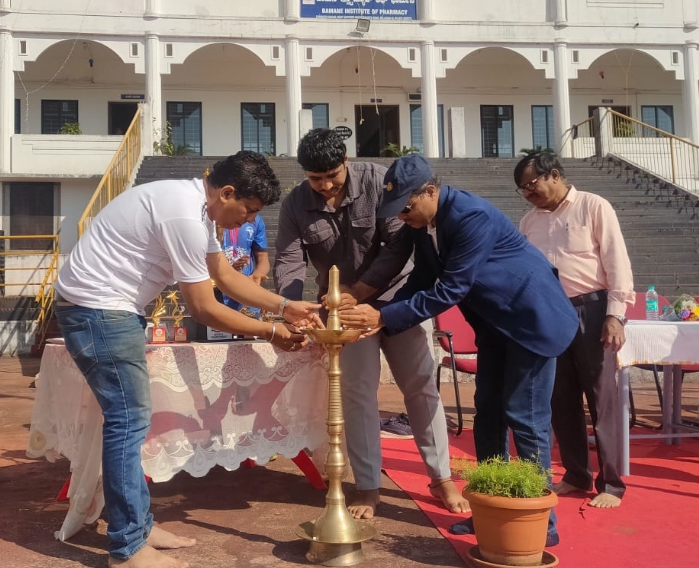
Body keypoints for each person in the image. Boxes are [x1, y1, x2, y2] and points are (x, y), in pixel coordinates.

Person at [54, 151, 322, 568]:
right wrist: (272, 331)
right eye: (248, 211)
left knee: (131, 424)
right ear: (227, 192)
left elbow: (225, 276)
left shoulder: (196, 208)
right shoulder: (183, 214)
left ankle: (138, 527)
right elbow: (204, 307)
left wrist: (285, 307)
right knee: (128, 424)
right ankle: (127, 549)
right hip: (99, 312)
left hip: (106, 310)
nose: (248, 224)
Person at [338, 154, 579, 547]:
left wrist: (382, 320)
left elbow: (452, 289)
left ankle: (540, 520)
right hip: (496, 326)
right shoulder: (424, 221)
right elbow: (422, 278)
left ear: (430, 191)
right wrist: (382, 311)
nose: (403, 217)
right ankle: (489, 508)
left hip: (533, 323)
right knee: (487, 415)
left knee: (525, 418)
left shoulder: (471, 217)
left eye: (407, 207)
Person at [272, 129, 468, 520]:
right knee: (358, 395)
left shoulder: (380, 181)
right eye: (315, 179)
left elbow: (399, 245)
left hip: (398, 299)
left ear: (347, 161)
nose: (325, 186)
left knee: (421, 388)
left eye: (332, 175)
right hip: (342, 311)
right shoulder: (295, 204)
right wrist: (291, 304)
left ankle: (441, 476)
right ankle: (367, 485)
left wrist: (360, 290)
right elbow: (288, 259)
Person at [515, 152, 635, 509]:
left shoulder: (594, 206)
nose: (527, 193)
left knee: (602, 399)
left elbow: (617, 262)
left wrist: (615, 314)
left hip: (593, 310)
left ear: (554, 175)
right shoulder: (528, 221)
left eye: (531, 184)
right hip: (549, 313)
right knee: (560, 397)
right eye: (522, 189)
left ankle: (611, 484)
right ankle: (576, 473)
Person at [220, 213, 270, 316]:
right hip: (218, 295)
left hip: (246, 294)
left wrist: (257, 275)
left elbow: (263, 258)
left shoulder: (256, 220)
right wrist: (228, 270)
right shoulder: (214, 218)